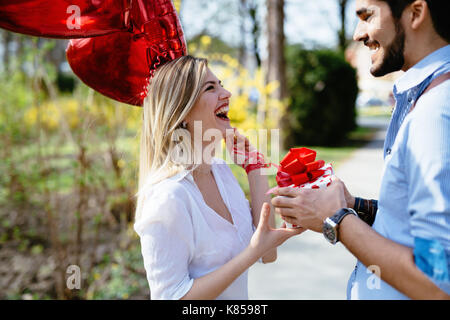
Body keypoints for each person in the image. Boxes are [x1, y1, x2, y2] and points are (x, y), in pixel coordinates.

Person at [272, 0, 450, 299]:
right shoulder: (426, 98)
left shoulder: (435, 110)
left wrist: (336, 219)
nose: (358, 34)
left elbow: (437, 282)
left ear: (416, 13)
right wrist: (354, 206)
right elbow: (410, 224)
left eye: (368, 16)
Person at [133, 55, 303, 300]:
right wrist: (252, 253)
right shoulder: (168, 197)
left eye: (220, 84)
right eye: (210, 88)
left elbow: (268, 253)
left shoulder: (221, 172)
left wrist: (255, 168)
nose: (227, 93)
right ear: (182, 111)